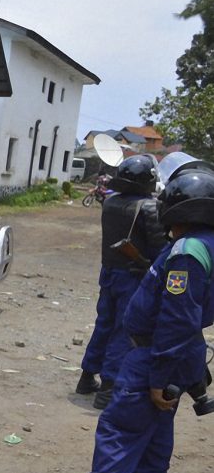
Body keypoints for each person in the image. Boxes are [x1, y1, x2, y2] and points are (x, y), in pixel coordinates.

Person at [46, 167, 214, 473]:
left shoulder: (188, 252)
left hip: (155, 352)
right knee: (156, 430)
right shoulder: (205, 243)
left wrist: (157, 377)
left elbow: (177, 317)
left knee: (118, 427)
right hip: (176, 352)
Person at [77, 155, 167, 408]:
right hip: (134, 276)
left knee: (104, 324)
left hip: (109, 272)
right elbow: (160, 248)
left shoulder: (111, 202)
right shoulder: (149, 208)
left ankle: (87, 376)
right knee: (123, 331)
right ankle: (108, 387)